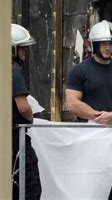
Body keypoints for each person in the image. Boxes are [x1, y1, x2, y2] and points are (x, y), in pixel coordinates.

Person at [65, 20, 112, 200]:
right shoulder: (80, 70)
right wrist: (97, 116)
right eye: (103, 43)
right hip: (89, 138)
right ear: (95, 44)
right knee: (89, 186)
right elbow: (72, 103)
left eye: (111, 43)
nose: (108, 47)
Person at [11, 24, 42, 200]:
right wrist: (30, 118)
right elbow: (23, 107)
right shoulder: (13, 71)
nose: (25, 52)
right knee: (31, 188)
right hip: (16, 138)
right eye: (22, 48)